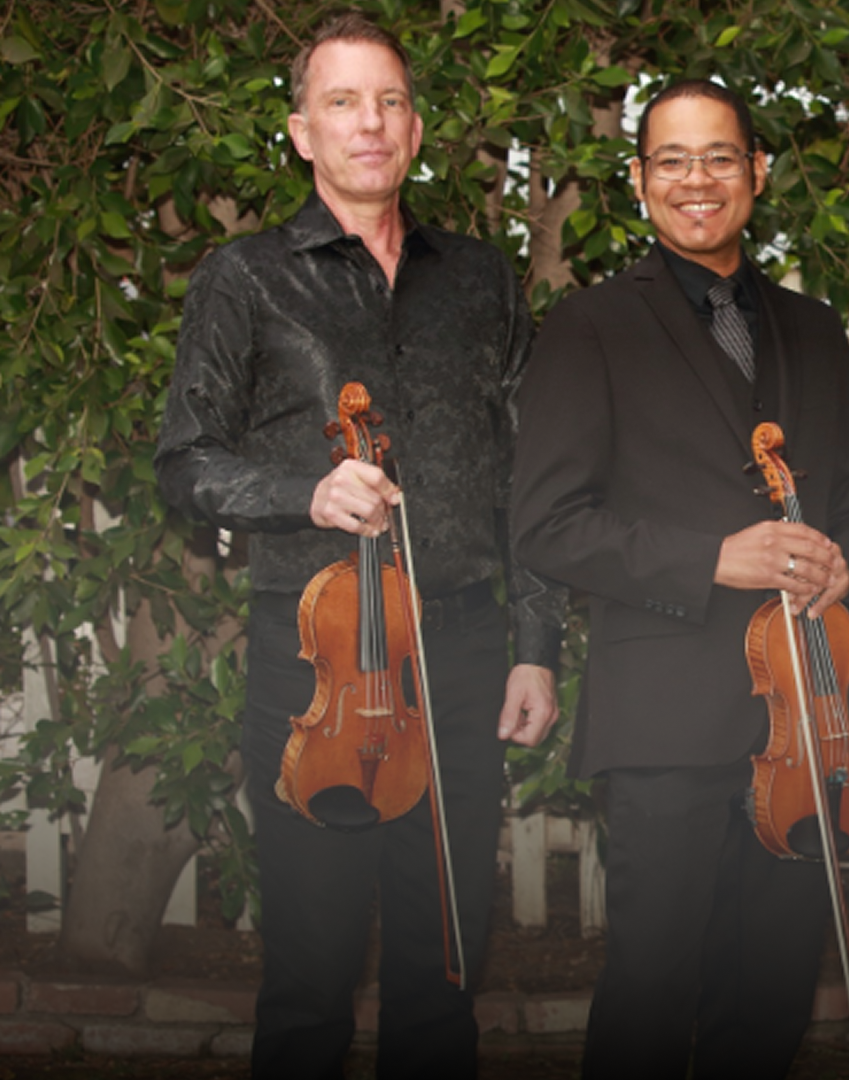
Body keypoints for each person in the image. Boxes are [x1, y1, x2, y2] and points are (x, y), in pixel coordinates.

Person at [154, 12, 565, 1079]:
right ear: (301, 132)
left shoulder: (481, 279)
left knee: (445, 968)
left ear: (416, 128)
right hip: (318, 661)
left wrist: (537, 643)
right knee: (310, 975)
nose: (368, 123)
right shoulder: (244, 278)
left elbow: (530, 474)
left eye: (386, 101)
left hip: (466, 649)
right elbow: (184, 466)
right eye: (341, 102)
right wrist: (305, 490)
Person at [509, 79, 849, 1079]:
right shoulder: (589, 326)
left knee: (768, 1003)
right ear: (640, 183)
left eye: (719, 156)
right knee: (651, 996)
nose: (697, 180)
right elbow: (548, 526)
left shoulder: (814, 329)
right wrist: (713, 558)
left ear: (756, 174)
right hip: (665, 723)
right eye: (672, 160)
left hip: (804, 725)